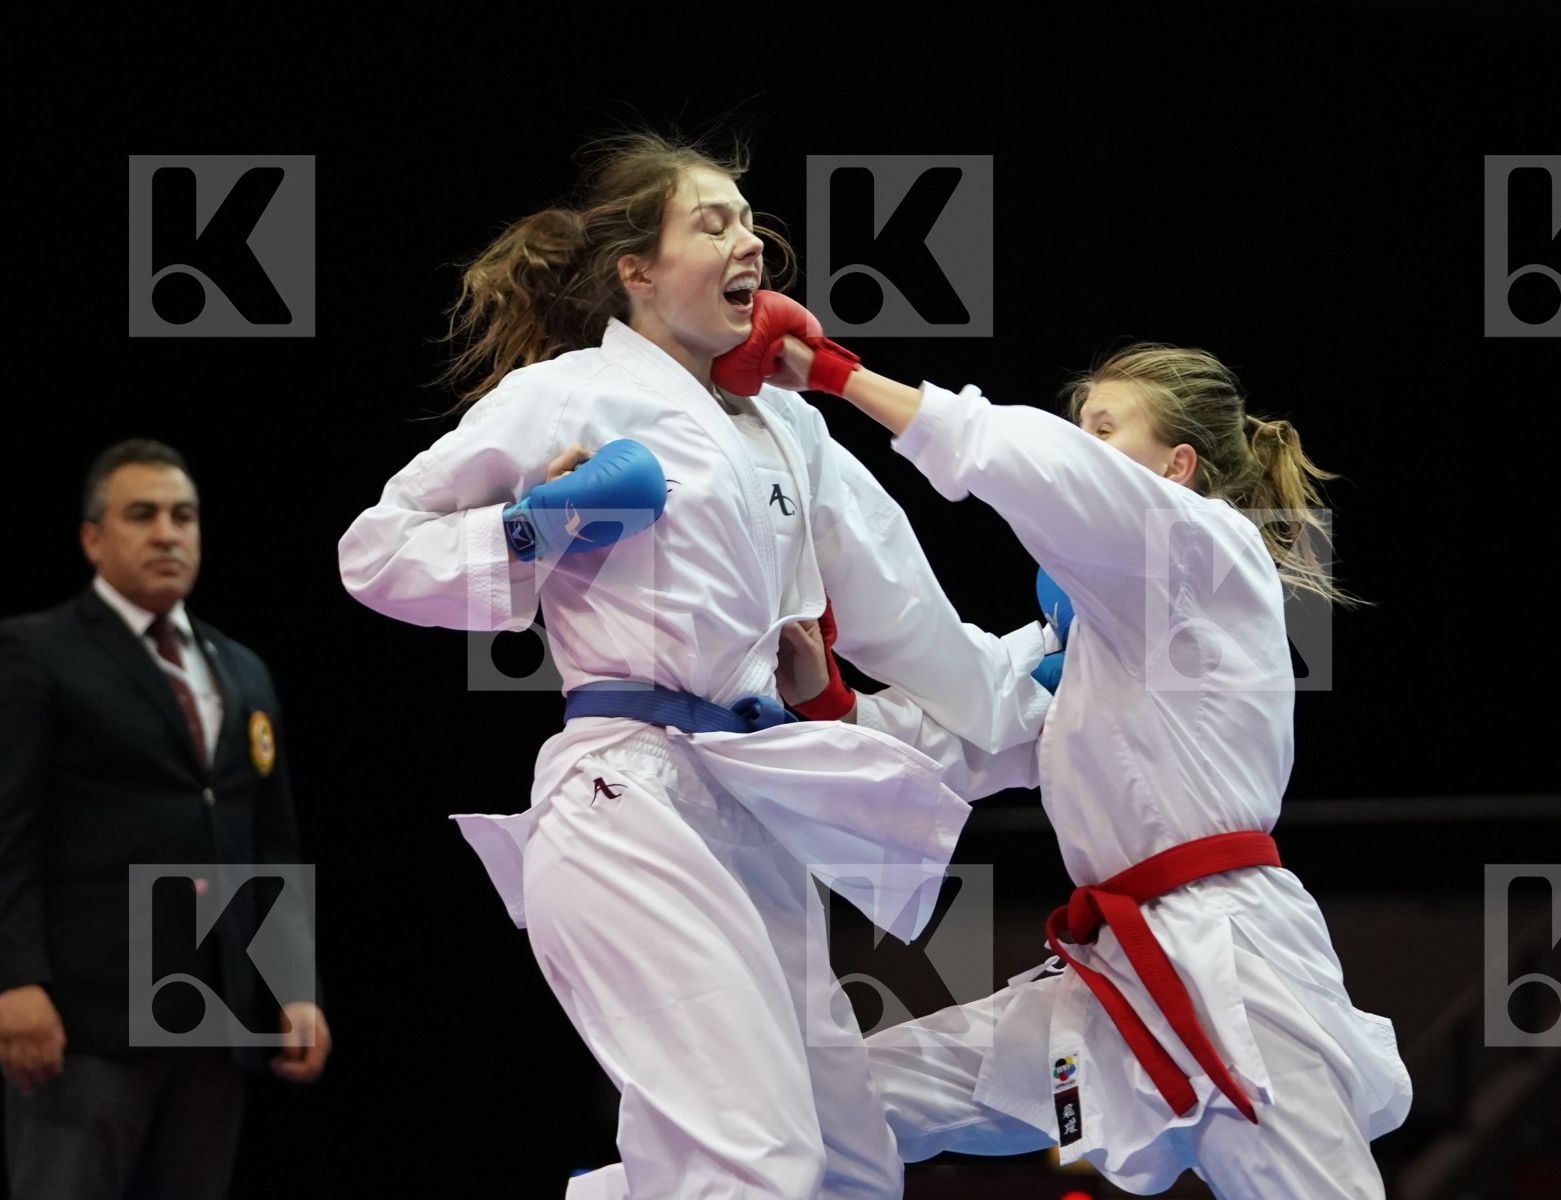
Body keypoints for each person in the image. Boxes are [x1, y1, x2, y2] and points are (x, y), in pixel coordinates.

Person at [336, 132, 1047, 1200]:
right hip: (627, 796)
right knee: (752, 1158)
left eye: (749, 220)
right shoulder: (570, 395)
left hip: (748, 803)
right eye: (710, 222)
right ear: (637, 271)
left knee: (846, 1160)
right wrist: (535, 529)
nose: (747, 238)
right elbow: (373, 552)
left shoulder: (787, 427)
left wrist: (1040, 675)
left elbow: (908, 614)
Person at [767, 341, 1413, 1197]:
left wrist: (839, 376)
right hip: (1108, 975)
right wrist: (830, 705)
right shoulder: (1090, 653)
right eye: (1083, 428)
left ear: (1177, 466)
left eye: (1105, 429)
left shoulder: (1210, 554)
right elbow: (981, 729)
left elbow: (1042, 468)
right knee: (819, 1107)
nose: (1084, 444)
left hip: (1232, 964)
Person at [0, 439, 330, 1200]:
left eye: (183, 516)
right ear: (93, 537)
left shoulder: (240, 668)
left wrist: (293, 985)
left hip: (211, 1010)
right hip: (86, 1014)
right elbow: (7, 832)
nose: (166, 533)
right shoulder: (38, 653)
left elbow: (269, 844)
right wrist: (16, 979)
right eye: (141, 515)